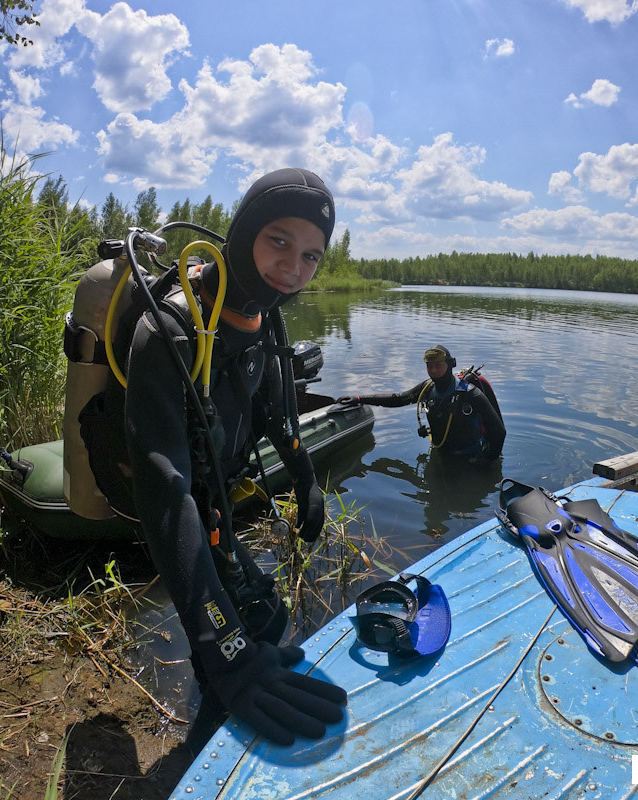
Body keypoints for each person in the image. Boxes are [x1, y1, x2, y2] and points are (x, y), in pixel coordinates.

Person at [83, 168, 347, 749]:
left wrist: (304, 478)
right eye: (278, 240)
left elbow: (276, 409)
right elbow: (164, 485)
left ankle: (217, 708)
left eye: (311, 256)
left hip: (217, 493)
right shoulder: (170, 329)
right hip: (179, 503)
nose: (293, 268)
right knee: (244, 636)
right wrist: (229, 659)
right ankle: (206, 749)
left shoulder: (262, 312)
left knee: (268, 624)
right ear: (246, 229)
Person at [339, 345, 505, 461]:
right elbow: (398, 399)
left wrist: (487, 461)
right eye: (429, 366)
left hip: (469, 458)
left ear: (450, 365)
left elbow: (499, 431)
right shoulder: (427, 388)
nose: (433, 371)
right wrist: (360, 399)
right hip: (440, 454)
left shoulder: (470, 394)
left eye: (438, 365)